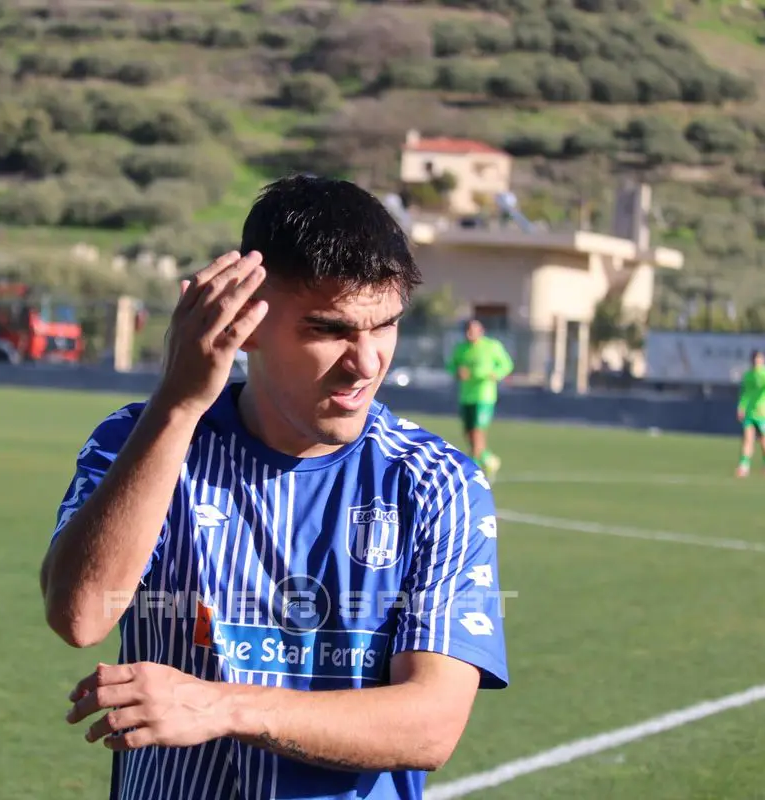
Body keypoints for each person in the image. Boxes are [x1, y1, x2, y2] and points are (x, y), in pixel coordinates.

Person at [40, 175, 508, 800]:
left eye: (385, 326)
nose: (367, 363)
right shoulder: (139, 439)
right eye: (330, 330)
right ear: (247, 322)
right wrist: (177, 406)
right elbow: (79, 616)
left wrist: (221, 706)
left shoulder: (436, 482)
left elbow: (430, 726)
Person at [446, 319, 514, 480]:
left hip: (484, 396)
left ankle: (474, 469)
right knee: (468, 433)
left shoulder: (492, 346)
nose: (470, 334)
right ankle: (488, 459)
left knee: (477, 432)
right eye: (468, 330)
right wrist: (457, 372)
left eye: (473, 330)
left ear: (481, 331)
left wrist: (496, 374)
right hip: (466, 396)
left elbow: (507, 364)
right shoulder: (461, 348)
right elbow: (451, 365)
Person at [735, 349, 765, 479]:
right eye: (755, 359)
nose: (757, 361)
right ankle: (744, 467)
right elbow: (745, 393)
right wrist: (741, 407)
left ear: (763, 360)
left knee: (764, 440)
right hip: (750, 412)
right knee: (747, 439)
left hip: (764, 413)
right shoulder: (748, 375)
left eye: (759, 359)